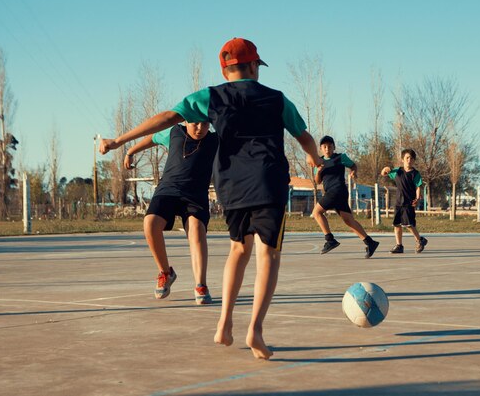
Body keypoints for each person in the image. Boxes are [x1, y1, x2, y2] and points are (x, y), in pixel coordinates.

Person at [100, 37, 322, 360]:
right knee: (268, 255)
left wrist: (119, 140)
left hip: (231, 186)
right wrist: (315, 159)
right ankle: (255, 330)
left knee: (238, 249)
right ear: (254, 66)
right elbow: (304, 137)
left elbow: (165, 117)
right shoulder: (276, 99)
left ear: (226, 69)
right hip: (268, 181)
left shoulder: (211, 96)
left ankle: (224, 322)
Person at [103, 121, 218, 304]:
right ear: (186, 120)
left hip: (195, 196)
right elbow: (152, 138)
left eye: (205, 124)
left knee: (196, 229)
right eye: (195, 123)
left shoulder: (215, 140)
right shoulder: (174, 132)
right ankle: (166, 272)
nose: (199, 128)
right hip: (168, 190)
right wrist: (131, 151)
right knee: (150, 223)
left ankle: (201, 284)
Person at [312, 135, 379, 258]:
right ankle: (370, 242)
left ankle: (330, 240)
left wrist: (354, 171)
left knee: (316, 212)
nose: (327, 149)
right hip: (336, 193)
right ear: (321, 148)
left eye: (330, 146)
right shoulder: (319, 162)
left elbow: (353, 165)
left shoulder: (340, 157)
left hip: (337, 190)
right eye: (325, 146)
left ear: (334, 147)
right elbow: (317, 181)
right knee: (349, 220)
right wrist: (319, 171)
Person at [380, 148, 428, 253]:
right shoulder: (397, 171)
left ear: (414, 160)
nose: (409, 160)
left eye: (411, 158)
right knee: (397, 224)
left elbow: (418, 186)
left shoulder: (415, 174)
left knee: (409, 224)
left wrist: (417, 198)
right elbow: (384, 173)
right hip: (398, 202)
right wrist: (385, 169)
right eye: (407, 158)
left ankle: (420, 240)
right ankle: (399, 245)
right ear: (403, 159)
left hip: (409, 202)